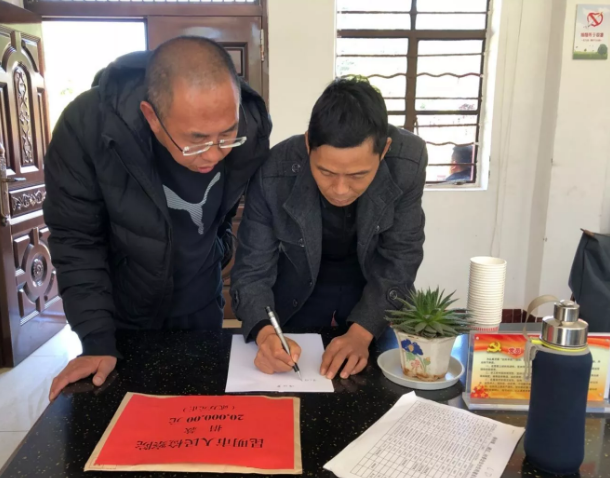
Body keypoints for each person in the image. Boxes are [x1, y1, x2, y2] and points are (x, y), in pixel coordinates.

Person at [44, 37, 271, 401]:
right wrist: (97, 339)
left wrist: (218, 249)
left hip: (202, 303)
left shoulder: (252, 125)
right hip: (125, 313)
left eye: (227, 135)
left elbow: (225, 210)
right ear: (152, 116)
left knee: (201, 413)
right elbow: (76, 240)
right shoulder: (87, 128)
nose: (214, 155)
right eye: (197, 140)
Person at [230, 77, 427, 380]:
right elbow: (252, 269)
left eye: (358, 175)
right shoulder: (273, 172)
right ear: (308, 144)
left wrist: (361, 333)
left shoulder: (408, 162)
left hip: (374, 293)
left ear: (384, 149)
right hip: (298, 293)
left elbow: (401, 257)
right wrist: (266, 334)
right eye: (325, 171)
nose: (340, 190)